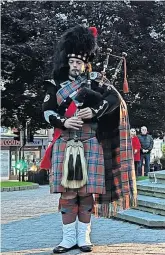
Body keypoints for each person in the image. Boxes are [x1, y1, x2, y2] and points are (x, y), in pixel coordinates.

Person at [41, 24, 137, 254]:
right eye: (72, 62)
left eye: (79, 62)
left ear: (86, 63)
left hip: (90, 142)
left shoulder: (96, 83)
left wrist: (95, 112)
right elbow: (46, 111)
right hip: (65, 141)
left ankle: (84, 238)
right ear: (67, 61)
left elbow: (115, 101)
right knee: (67, 193)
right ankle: (67, 240)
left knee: (86, 193)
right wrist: (63, 121)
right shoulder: (54, 85)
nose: (75, 66)